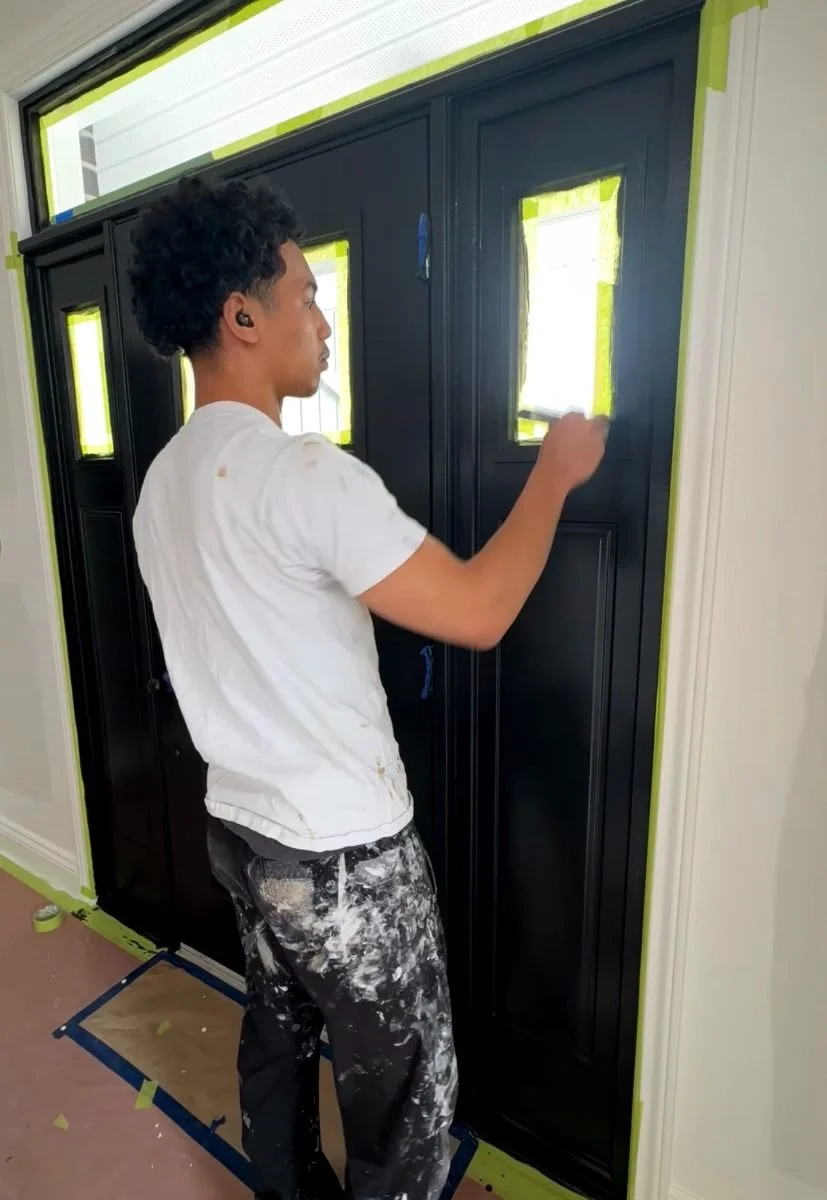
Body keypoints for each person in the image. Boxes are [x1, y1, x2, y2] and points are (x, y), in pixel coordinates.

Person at [129, 176, 607, 1200]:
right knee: (404, 1106)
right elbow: (478, 610)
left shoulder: (162, 484)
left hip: (242, 830)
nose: (322, 320)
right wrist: (555, 473)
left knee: (278, 1030)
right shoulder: (302, 476)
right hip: (346, 859)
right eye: (305, 294)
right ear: (241, 317)